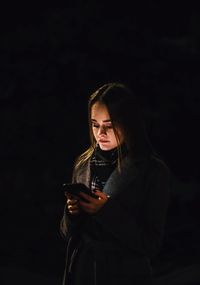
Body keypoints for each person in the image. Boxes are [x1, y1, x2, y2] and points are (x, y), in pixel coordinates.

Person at [60, 82, 170, 285]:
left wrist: (106, 211)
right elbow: (68, 233)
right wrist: (72, 213)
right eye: (95, 124)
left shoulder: (151, 170)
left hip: (125, 274)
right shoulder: (84, 163)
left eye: (108, 126)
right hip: (83, 271)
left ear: (128, 123)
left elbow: (151, 244)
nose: (100, 133)